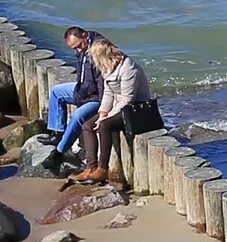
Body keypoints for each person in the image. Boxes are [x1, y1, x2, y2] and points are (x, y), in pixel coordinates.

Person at [74, 36, 162, 184]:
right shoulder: (107, 67)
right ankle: (91, 168)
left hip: (134, 110)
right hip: (118, 107)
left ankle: (103, 169)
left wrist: (106, 118)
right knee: (87, 126)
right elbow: (108, 93)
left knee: (104, 125)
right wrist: (103, 113)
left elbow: (127, 100)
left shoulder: (129, 69)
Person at [41, 26, 104, 168]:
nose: (79, 50)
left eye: (79, 46)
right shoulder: (83, 47)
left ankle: (59, 153)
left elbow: (103, 84)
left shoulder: (99, 50)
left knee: (77, 117)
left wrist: (104, 108)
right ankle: (57, 134)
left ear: (84, 35)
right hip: (83, 90)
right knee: (57, 92)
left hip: (96, 97)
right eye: (74, 48)